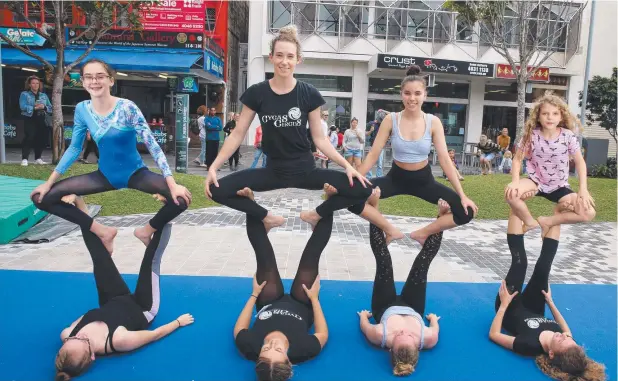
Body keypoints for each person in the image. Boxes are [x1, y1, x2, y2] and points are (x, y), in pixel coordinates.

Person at [204, 25, 401, 242]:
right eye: (279, 55)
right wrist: (214, 166)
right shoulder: (257, 93)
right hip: (272, 172)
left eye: (290, 56)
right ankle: (265, 217)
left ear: (298, 59)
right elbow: (237, 134)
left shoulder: (308, 94)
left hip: (307, 171)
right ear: (271, 57)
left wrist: (346, 166)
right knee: (215, 190)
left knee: (365, 188)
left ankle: (317, 214)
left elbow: (320, 139)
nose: (284, 61)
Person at [30, 59, 191, 255]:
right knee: (41, 198)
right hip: (103, 175)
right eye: (88, 77)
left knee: (181, 200)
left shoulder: (127, 108)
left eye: (100, 76)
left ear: (111, 81)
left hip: (136, 174)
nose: (94, 81)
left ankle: (145, 231)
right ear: (82, 81)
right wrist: (48, 183)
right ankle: (102, 231)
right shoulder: (82, 109)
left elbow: (152, 145)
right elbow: (74, 149)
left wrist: (172, 184)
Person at [342, 65, 478, 246]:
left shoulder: (433, 122)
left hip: (424, 181)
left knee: (467, 211)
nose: (412, 98)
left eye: (417, 93)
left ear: (425, 95)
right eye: (407, 93)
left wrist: (462, 195)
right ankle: (389, 230)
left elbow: (445, 160)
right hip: (395, 179)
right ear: (401, 94)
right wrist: (356, 178)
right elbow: (374, 154)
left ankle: (422, 233)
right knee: (349, 196)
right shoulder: (392, 119)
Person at [55, 224, 194, 381]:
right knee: (152, 257)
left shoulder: (67, 333)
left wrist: (74, 338)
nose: (80, 334)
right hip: (142, 306)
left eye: (73, 339)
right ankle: (170, 211)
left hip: (114, 300)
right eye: (84, 340)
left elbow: (87, 319)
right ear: (93, 355)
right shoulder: (119, 340)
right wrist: (178, 322)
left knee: (99, 256)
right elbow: (154, 335)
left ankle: (79, 208)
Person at [491, 212, 606, 381]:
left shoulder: (529, 345)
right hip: (534, 307)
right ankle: (559, 212)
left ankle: (515, 203)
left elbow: (494, 335)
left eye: (561, 339)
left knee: (520, 262)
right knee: (544, 268)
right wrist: (550, 302)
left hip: (509, 308)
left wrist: (503, 305)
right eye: (569, 338)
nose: (563, 335)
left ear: (551, 354)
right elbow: (566, 329)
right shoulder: (566, 341)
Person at [233, 188, 329, 381]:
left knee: (263, 258)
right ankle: (329, 204)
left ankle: (252, 205)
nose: (272, 343)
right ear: (288, 360)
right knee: (311, 258)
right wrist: (314, 299)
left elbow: (239, 330)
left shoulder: (249, 347)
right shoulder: (303, 350)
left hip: (269, 300)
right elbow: (322, 333)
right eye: (278, 349)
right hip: (303, 303)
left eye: (266, 348)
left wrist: (254, 294)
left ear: (258, 355)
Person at [357, 193, 447, 377]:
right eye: (409, 336)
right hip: (413, 306)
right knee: (422, 264)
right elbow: (435, 329)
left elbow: (365, 327)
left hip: (384, 306)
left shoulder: (379, 335)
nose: (403, 331)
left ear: (390, 349)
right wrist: (434, 321)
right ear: (417, 345)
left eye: (398, 336)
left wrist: (364, 316)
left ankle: (373, 208)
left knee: (384, 261)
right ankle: (441, 217)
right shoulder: (429, 338)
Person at [504, 94, 596, 237]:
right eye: (545, 113)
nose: (549, 117)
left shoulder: (568, 136)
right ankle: (529, 222)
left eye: (554, 114)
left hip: (559, 186)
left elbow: (580, 162)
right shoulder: (530, 135)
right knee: (511, 194)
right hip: (535, 181)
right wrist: (515, 182)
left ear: (561, 116)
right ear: (538, 116)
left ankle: (548, 221)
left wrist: (583, 189)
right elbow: (517, 160)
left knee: (588, 213)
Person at [20, 75, 52, 166]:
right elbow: (22, 106)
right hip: (30, 117)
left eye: (37, 83)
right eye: (33, 83)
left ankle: (38, 158)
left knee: (41, 138)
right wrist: (34, 107)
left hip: (41, 118)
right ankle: (25, 159)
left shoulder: (43, 95)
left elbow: (50, 107)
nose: (35, 85)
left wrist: (44, 107)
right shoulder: (24, 94)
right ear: (29, 84)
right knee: (29, 137)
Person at [366, 109, 387, 179]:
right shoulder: (372, 123)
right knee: (370, 162)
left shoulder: (385, 125)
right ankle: (369, 177)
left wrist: (384, 111)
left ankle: (379, 177)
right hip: (373, 146)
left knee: (380, 164)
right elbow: (365, 133)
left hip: (381, 147)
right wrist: (370, 131)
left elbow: (394, 114)